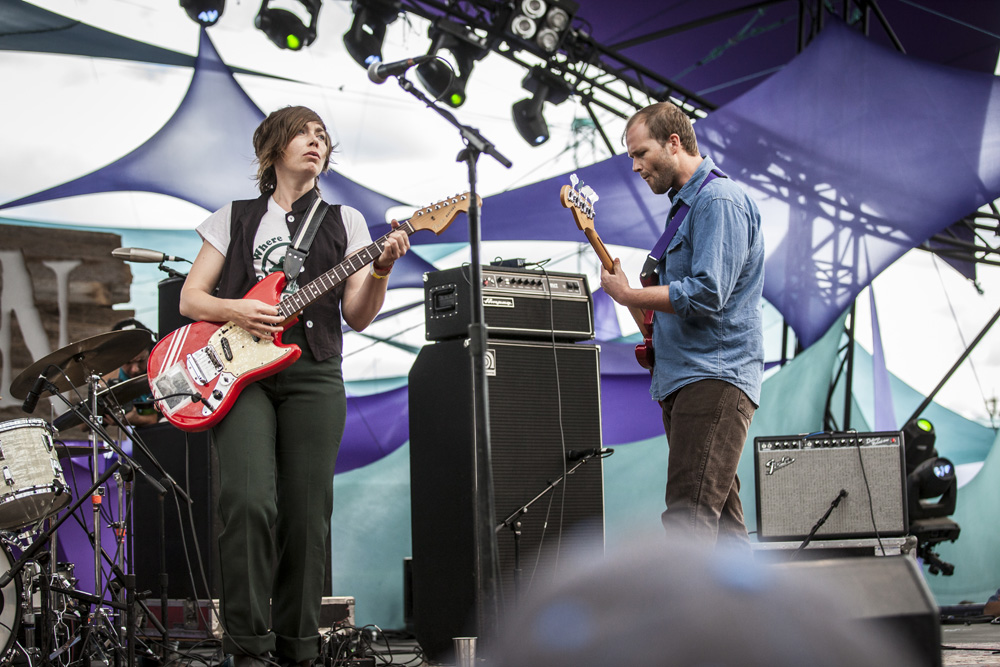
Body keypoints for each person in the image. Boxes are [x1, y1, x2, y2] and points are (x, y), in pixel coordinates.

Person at [179, 105, 410, 667]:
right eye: (304, 133)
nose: (317, 142)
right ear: (274, 149)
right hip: (241, 378)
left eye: (323, 136)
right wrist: (239, 308)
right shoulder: (232, 217)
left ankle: (298, 650)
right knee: (248, 501)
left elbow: (357, 314)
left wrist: (379, 271)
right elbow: (191, 299)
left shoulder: (347, 220)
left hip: (314, 373)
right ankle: (247, 649)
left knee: (307, 515)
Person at [600, 101, 764, 549]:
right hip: (688, 376)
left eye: (640, 153)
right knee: (724, 529)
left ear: (674, 142)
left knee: (687, 519)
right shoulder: (687, 207)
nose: (635, 166)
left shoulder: (719, 200)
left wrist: (629, 295)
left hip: (712, 377)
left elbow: (709, 293)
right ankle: (754, 620)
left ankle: (679, 621)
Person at [106, 317, 159, 427]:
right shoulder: (109, 378)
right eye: (127, 363)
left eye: (141, 360)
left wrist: (138, 419)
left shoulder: (163, 368)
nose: (135, 369)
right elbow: (83, 425)